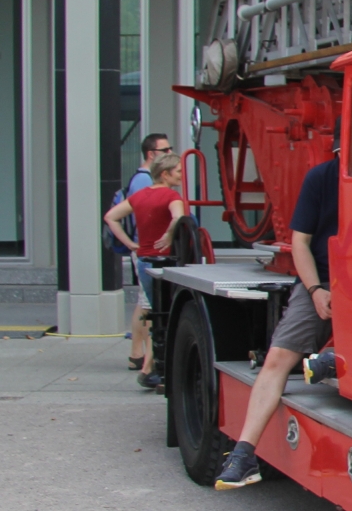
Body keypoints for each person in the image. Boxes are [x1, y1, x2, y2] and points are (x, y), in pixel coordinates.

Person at [214, 155, 339, 489]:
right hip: (322, 281)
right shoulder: (320, 178)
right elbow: (300, 241)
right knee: (277, 359)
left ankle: (334, 360)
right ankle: (244, 454)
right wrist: (314, 290)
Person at [104, 153, 186, 390]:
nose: (181, 175)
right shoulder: (172, 196)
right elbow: (179, 218)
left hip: (144, 260)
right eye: (178, 171)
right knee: (168, 314)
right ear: (165, 174)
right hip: (167, 260)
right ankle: (152, 368)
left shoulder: (139, 196)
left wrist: (131, 244)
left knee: (157, 312)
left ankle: (150, 368)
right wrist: (170, 234)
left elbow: (111, 217)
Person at [124, 133, 172, 371]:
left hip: (143, 249)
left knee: (144, 302)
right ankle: (143, 360)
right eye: (166, 150)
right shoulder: (146, 184)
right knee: (150, 305)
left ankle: (138, 354)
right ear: (152, 154)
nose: (170, 154)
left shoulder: (139, 181)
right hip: (149, 251)